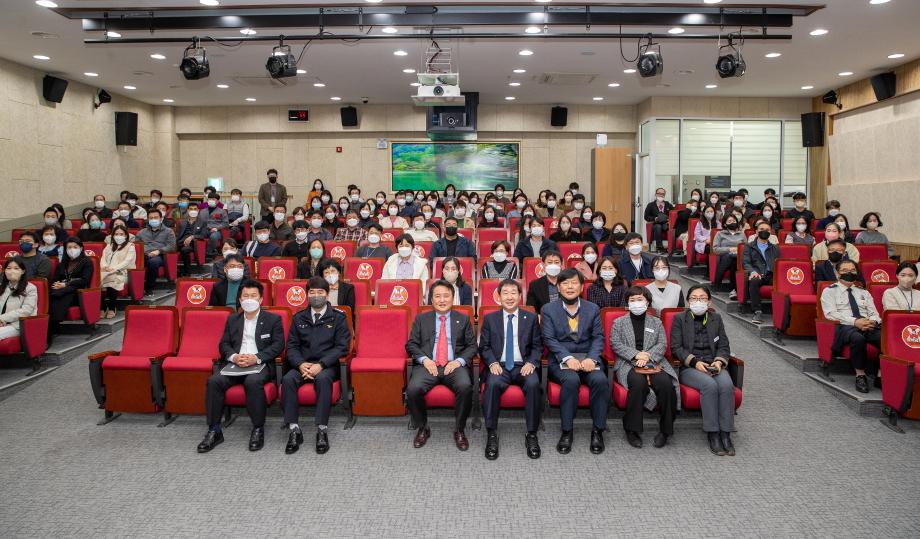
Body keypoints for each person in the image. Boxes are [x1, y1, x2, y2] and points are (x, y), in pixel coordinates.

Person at [197, 281, 284, 453]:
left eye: (253, 296)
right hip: (235, 364)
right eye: (246, 296)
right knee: (214, 381)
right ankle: (214, 430)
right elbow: (224, 344)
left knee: (252, 382)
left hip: (260, 364)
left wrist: (256, 358)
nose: (249, 299)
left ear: (260, 299)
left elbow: (278, 345)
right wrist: (235, 357)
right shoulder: (232, 319)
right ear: (240, 299)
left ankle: (258, 429)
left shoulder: (273, 319)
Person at [280, 276, 350, 454]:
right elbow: (292, 346)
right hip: (302, 365)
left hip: (327, 366)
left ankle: (322, 429)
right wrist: (300, 364)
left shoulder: (338, 317)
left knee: (323, 380)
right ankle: (294, 429)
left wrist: (321, 364)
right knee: (287, 380)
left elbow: (342, 347)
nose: (316, 295)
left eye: (320, 292)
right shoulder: (298, 318)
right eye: (312, 292)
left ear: (327, 295)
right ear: (307, 295)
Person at [405, 279, 477, 451]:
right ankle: (423, 428)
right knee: (413, 389)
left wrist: (458, 361)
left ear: (453, 298)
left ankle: (459, 429)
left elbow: (472, 346)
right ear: (431, 299)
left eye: (446, 296)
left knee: (465, 386)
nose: (442, 300)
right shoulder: (422, 319)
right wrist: (424, 359)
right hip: (428, 365)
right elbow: (411, 345)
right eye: (438, 296)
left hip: (454, 365)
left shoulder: (463, 318)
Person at [541, 269, 607, 454]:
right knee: (571, 380)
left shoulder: (592, 308)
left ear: (581, 286)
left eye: (574, 283)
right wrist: (567, 358)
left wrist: (592, 358)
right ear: (558, 287)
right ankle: (567, 431)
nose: (570, 286)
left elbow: (598, 337)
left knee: (600, 380)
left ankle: (598, 430)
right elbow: (549, 339)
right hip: (561, 360)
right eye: (565, 283)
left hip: (587, 358)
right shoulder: (548, 309)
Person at [479, 279, 543, 460]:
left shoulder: (530, 318)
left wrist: (531, 363)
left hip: (523, 366)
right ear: (498, 297)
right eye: (505, 293)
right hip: (499, 366)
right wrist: (492, 363)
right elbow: (484, 347)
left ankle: (531, 433)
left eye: (513, 293)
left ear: (520, 296)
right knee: (491, 384)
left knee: (533, 384)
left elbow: (538, 346)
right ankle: (491, 433)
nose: (509, 297)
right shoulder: (490, 319)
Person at [670, 285, 736, 455]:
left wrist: (719, 362)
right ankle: (713, 433)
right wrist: (695, 363)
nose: (698, 301)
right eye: (693, 298)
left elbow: (724, 345)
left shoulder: (716, 319)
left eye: (702, 298)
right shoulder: (679, 318)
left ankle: (726, 433)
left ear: (709, 301)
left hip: (714, 364)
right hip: (690, 367)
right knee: (710, 386)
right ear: (688, 301)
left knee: (727, 386)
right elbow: (676, 348)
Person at [611, 286, 678, 449]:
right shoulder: (618, 323)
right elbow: (615, 344)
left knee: (666, 385)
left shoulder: (656, 322)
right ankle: (632, 429)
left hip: (654, 362)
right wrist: (636, 355)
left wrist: (647, 356)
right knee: (638, 384)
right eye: (632, 300)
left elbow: (662, 344)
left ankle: (665, 430)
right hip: (627, 363)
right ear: (627, 303)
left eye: (639, 299)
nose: (636, 303)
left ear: (647, 302)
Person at [820, 260, 882, 393]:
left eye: (853, 270)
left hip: (867, 324)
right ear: (837, 273)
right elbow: (830, 314)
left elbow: (875, 313)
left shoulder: (863, 292)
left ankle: (880, 374)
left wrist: (871, 322)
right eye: (845, 271)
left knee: (884, 338)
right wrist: (855, 322)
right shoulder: (829, 291)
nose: (849, 273)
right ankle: (860, 375)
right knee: (858, 339)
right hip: (846, 326)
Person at [48, 238, 94, 341]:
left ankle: (50, 332)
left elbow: (85, 280)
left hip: (78, 293)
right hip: (59, 291)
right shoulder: (62, 264)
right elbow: (55, 279)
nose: (72, 249)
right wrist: (57, 284)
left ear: (81, 248)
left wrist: (66, 284)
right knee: (53, 295)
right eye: (69, 247)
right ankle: (48, 327)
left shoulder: (87, 262)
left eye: (75, 247)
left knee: (60, 297)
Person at [742, 220, 780, 324]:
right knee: (754, 280)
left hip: (772, 275)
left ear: (770, 232)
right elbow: (746, 263)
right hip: (758, 274)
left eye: (767, 230)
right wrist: (752, 271)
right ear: (756, 231)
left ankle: (783, 313)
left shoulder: (775, 248)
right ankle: (757, 311)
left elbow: (779, 263)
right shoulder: (749, 246)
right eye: (761, 229)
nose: (764, 231)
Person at [99, 225, 136, 319]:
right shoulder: (109, 246)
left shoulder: (130, 246)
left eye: (121, 234)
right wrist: (105, 267)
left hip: (123, 273)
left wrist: (113, 268)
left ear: (126, 235)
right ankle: (102, 307)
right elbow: (103, 258)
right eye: (116, 234)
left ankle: (112, 307)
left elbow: (127, 262)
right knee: (96, 281)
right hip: (106, 272)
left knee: (112, 280)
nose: (118, 236)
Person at [136, 209, 176, 294]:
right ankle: (135, 288)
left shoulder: (169, 231)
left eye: (156, 217)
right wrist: (145, 253)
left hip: (160, 255)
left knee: (153, 262)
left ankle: (149, 287)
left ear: (161, 219)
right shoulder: (141, 232)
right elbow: (137, 246)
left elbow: (171, 246)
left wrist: (158, 251)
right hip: (144, 255)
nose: (153, 219)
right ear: (148, 219)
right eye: (151, 218)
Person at [0, 257, 38, 341]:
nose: (11, 271)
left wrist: (2, 318)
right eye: (8, 268)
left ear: (23, 271)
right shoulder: (2, 287)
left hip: (17, 324)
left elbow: (26, 310)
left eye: (16, 268)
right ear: (5, 271)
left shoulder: (30, 288)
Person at [176, 206, 207, 277]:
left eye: (195, 209)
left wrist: (192, 237)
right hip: (181, 242)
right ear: (187, 210)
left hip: (194, 243)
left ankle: (187, 272)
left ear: (198, 210)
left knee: (184, 250)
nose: (193, 211)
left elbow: (203, 235)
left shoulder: (202, 222)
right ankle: (176, 271)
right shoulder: (182, 222)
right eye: (191, 209)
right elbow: (177, 234)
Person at [644, 187, 673, 253]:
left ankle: (671, 248)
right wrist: (655, 218)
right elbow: (646, 217)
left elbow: (673, 214)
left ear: (664, 195)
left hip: (666, 223)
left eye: (662, 194)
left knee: (670, 228)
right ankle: (659, 248)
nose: (661, 195)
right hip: (656, 224)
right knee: (658, 227)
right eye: (659, 193)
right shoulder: (650, 205)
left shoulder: (668, 204)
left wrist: (669, 220)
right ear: (656, 194)